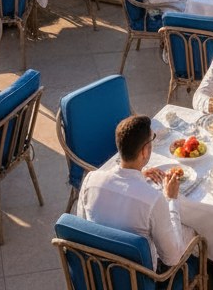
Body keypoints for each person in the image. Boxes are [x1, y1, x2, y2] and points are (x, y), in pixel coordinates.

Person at [77, 113, 193, 270]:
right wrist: (171, 200)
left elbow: (84, 230)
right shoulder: (154, 200)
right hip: (140, 280)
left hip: (99, 272)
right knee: (192, 232)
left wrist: (138, 175)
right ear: (145, 151)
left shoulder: (90, 180)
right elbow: (172, 258)